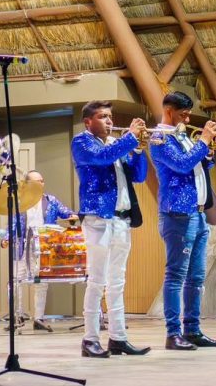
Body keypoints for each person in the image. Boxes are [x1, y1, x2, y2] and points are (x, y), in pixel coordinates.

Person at [72, 100, 151, 358]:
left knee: (117, 282)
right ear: (88, 122)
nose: (109, 121)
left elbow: (138, 176)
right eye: (103, 116)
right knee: (97, 281)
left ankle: (118, 338)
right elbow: (101, 158)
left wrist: (138, 150)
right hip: (98, 219)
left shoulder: (116, 144)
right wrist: (130, 138)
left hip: (121, 220)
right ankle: (90, 339)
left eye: (110, 116)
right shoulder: (82, 142)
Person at [148, 91, 216, 351]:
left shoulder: (181, 136)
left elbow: (198, 166)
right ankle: (173, 334)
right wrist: (203, 140)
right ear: (169, 111)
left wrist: (208, 154)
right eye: (184, 114)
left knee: (196, 277)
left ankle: (192, 330)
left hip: (199, 212)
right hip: (178, 214)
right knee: (176, 276)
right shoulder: (159, 138)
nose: (188, 119)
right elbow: (182, 165)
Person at [4, 170, 77, 332]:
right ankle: (17, 316)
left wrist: (72, 215)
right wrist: (7, 238)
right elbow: (13, 224)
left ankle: (39, 318)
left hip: (43, 247)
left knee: (42, 283)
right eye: (38, 181)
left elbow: (66, 212)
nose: (41, 184)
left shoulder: (51, 200)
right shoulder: (20, 202)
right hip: (23, 246)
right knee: (15, 281)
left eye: (42, 181)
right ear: (28, 184)